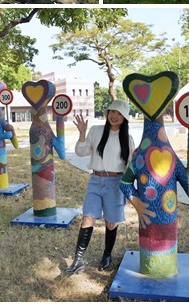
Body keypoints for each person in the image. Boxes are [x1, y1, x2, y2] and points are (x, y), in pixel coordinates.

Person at [65, 100, 136, 274]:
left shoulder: (127, 139)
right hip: (95, 180)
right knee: (87, 218)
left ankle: (107, 254)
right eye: (111, 111)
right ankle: (78, 260)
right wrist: (82, 133)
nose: (114, 115)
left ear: (125, 117)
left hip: (115, 183)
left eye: (118, 113)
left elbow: (130, 168)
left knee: (111, 223)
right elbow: (81, 152)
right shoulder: (96, 131)